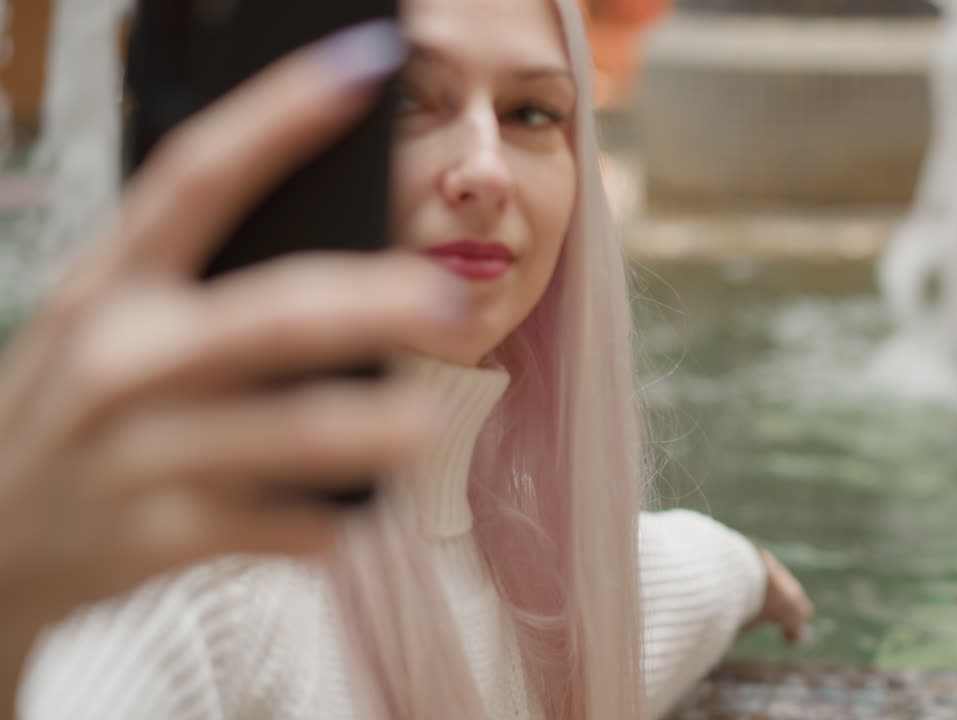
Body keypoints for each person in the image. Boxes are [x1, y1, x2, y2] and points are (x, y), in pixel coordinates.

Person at [3, 0, 814, 718]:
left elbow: (686, 573)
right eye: (404, 100)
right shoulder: (185, 585)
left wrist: (752, 571)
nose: (486, 171)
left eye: (532, 113)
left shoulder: (574, 584)